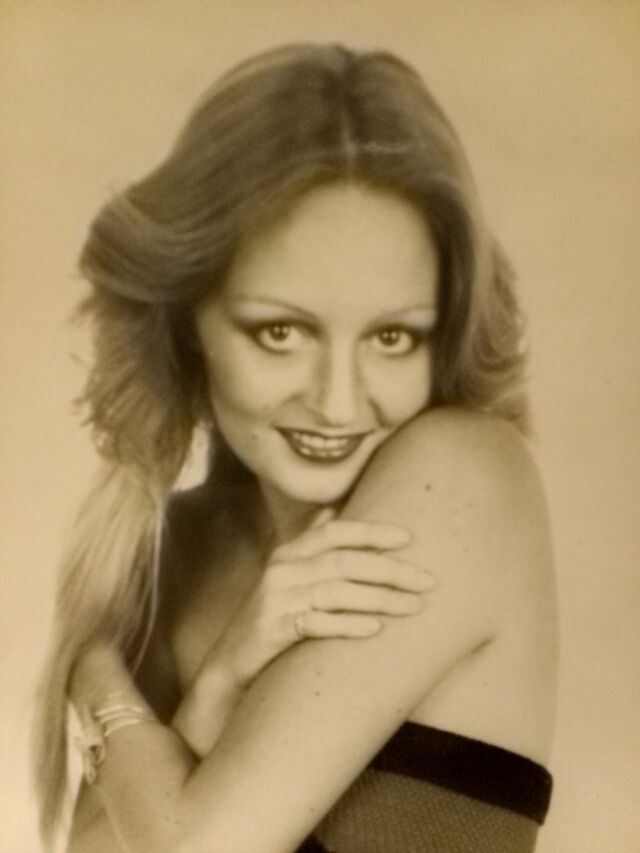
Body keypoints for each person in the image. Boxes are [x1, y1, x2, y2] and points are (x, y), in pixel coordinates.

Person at [33, 43, 557, 853]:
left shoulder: (465, 473)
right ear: (188, 317)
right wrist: (217, 683)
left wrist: (92, 664)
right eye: (281, 331)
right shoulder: (181, 547)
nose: (340, 402)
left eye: (392, 336)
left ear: (444, 333)